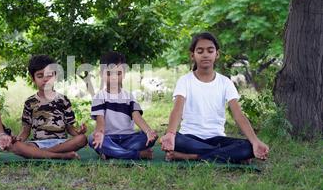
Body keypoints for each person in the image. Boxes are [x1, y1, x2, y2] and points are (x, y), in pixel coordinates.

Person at [160, 32, 270, 163]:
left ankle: (191, 157)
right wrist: (171, 134)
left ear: (216, 54)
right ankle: (227, 155)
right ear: (192, 55)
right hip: (189, 139)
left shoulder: (225, 82)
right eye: (200, 51)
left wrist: (255, 141)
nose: (205, 54)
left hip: (217, 138)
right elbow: (177, 110)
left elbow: (238, 115)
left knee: (248, 146)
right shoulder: (185, 81)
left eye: (210, 50)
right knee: (176, 140)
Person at [9, 55, 86, 158]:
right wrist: (18, 139)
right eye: (40, 76)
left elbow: (70, 128)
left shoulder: (63, 100)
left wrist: (78, 132)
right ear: (33, 78)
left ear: (55, 76)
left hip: (61, 143)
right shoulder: (30, 102)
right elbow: (25, 131)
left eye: (49, 75)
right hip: (38, 144)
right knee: (15, 146)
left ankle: (44, 154)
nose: (45, 79)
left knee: (82, 139)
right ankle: (60, 156)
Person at [88, 51, 158, 160]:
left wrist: (148, 131)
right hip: (108, 138)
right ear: (101, 74)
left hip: (129, 138)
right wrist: (100, 133)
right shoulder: (99, 97)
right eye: (109, 73)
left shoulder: (129, 97)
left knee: (147, 138)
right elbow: (100, 120)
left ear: (124, 74)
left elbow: (137, 117)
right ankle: (136, 155)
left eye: (118, 73)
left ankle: (112, 153)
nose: (114, 77)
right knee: (92, 138)